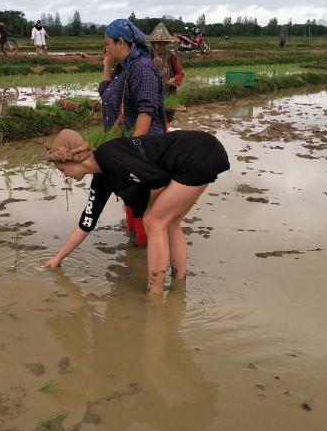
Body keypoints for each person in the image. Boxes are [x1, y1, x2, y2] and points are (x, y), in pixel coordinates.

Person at [44, 127, 230, 296]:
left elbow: (157, 179)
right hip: (203, 152)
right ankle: (179, 284)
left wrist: (152, 212)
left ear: (71, 158)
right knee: (170, 222)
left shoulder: (110, 155)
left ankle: (154, 294)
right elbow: (87, 221)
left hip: (197, 152)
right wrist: (57, 258)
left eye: (61, 169)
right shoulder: (101, 178)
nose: (64, 175)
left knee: (154, 221)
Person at [99, 18, 167, 245]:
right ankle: (136, 248)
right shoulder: (123, 69)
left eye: (108, 44)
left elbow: (146, 112)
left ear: (121, 42)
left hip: (144, 149)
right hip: (127, 146)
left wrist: (133, 151)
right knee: (130, 198)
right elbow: (106, 96)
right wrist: (107, 67)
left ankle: (147, 253)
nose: (105, 49)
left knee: (144, 203)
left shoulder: (143, 68)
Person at [148, 23, 184, 94]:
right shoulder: (147, 55)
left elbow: (180, 73)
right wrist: (152, 65)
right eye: (159, 44)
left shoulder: (171, 56)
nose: (162, 46)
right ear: (153, 43)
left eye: (164, 43)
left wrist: (173, 79)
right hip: (150, 91)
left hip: (167, 91)